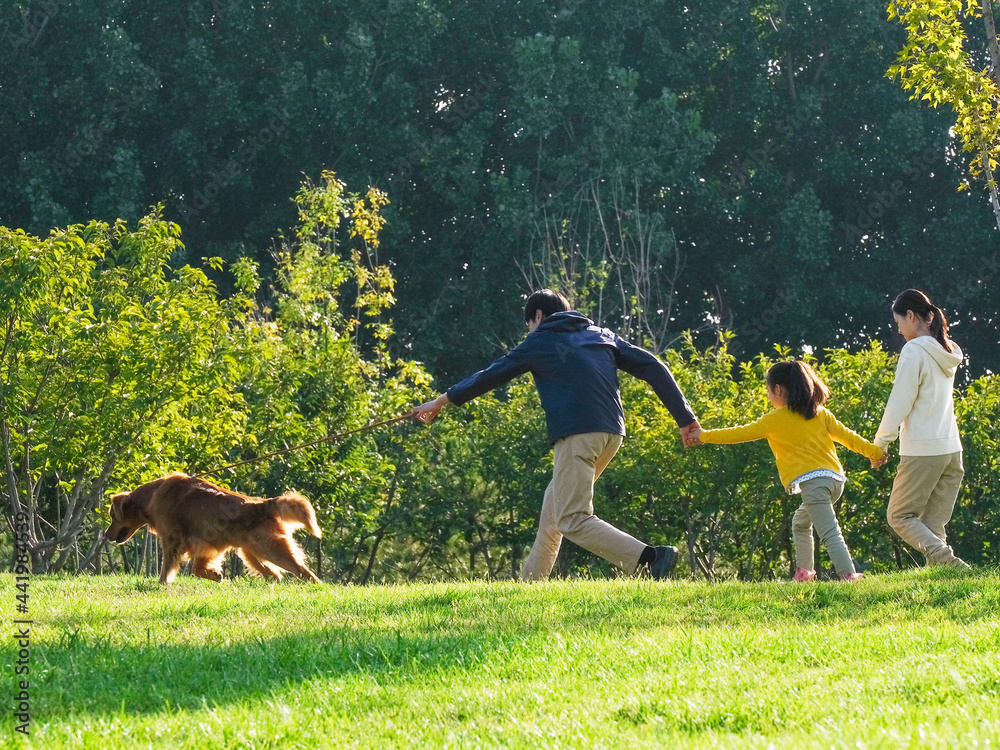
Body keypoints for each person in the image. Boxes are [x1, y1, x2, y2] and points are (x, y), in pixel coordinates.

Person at [412, 289, 701, 581]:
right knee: (554, 505)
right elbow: (654, 366)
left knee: (572, 519)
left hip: (579, 433)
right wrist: (685, 417)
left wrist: (440, 401)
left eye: (530, 325)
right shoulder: (600, 335)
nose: (530, 331)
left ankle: (649, 558)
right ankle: (530, 584)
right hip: (611, 433)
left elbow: (492, 374)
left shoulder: (541, 339)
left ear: (538, 316)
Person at [689, 360, 885, 582]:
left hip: (814, 484)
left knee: (830, 533)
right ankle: (804, 574)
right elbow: (848, 437)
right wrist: (874, 453)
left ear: (778, 389)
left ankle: (849, 577)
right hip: (834, 482)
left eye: (768, 390)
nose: (768, 395)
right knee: (800, 523)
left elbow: (739, 433)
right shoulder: (820, 413)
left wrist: (704, 435)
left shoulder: (775, 419)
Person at [874, 289, 969, 568]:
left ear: (912, 316)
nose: (900, 330)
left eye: (899, 322)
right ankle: (944, 579)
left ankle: (952, 565)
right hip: (952, 450)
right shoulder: (947, 350)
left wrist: (881, 443)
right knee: (931, 525)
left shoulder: (914, 350)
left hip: (924, 450)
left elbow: (900, 401)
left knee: (899, 516)